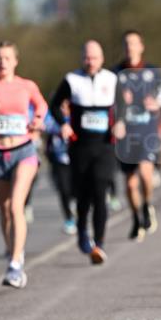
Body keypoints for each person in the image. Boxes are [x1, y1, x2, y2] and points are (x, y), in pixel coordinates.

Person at [0, 41, 47, 288]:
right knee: (4, 209)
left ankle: (16, 263)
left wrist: (37, 120)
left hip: (23, 151)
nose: (2, 62)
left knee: (17, 206)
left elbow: (42, 106)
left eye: (7, 58)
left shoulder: (26, 85)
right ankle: (12, 250)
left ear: (15, 61)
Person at [50, 41, 117, 263]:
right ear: (82, 58)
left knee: (100, 190)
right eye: (87, 57)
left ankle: (99, 244)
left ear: (102, 58)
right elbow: (54, 105)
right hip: (80, 146)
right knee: (83, 195)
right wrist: (64, 124)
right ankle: (81, 231)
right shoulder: (72, 80)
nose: (91, 62)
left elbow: (126, 106)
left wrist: (122, 122)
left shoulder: (112, 79)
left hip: (105, 145)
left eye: (95, 58)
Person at [112, 30, 161, 241]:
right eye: (127, 43)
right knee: (129, 184)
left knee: (146, 174)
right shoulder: (115, 72)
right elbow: (106, 97)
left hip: (147, 130)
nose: (130, 47)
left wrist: (157, 102)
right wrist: (117, 103)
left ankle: (147, 205)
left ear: (141, 46)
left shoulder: (152, 71)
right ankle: (136, 217)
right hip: (126, 133)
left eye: (134, 43)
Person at [43, 101, 76, 235]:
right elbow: (46, 126)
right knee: (63, 189)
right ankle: (69, 218)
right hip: (59, 160)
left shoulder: (77, 118)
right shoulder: (54, 120)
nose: (64, 109)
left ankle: (77, 208)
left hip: (76, 159)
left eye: (66, 106)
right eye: (61, 106)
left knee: (75, 189)